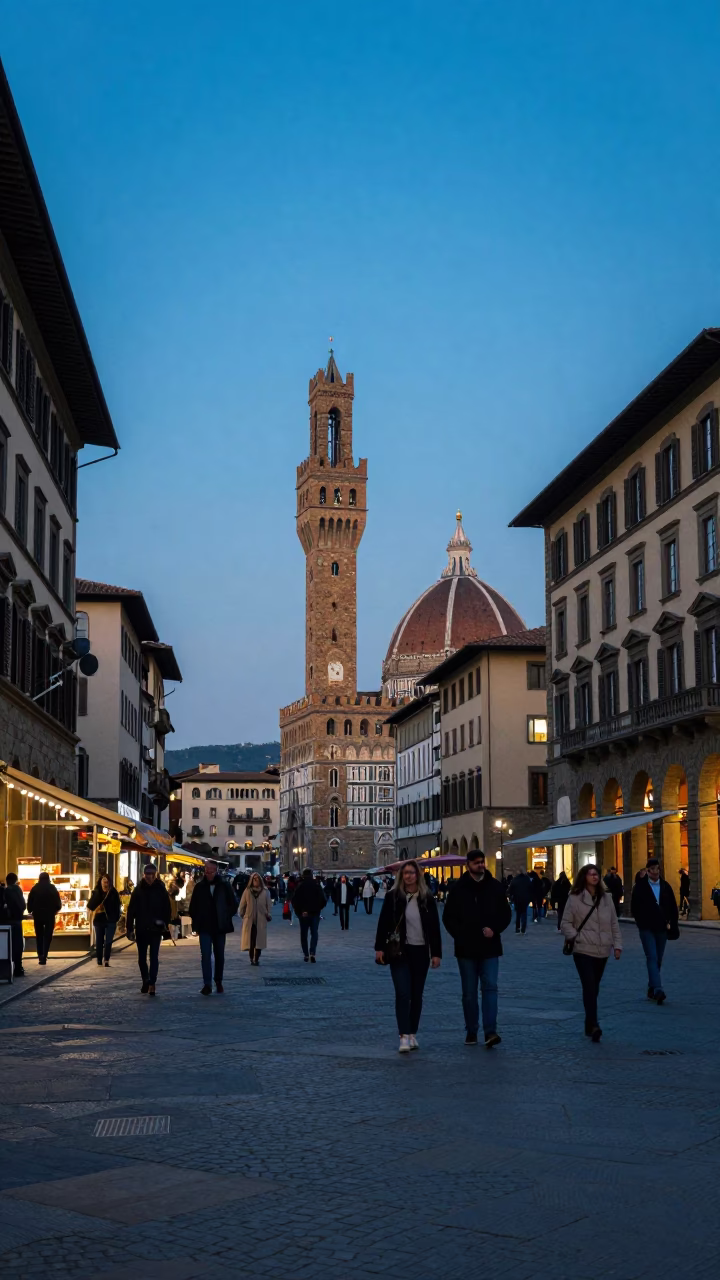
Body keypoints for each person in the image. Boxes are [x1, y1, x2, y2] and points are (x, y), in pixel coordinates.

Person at [442, 848, 511, 1048]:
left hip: (490, 947)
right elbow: (448, 917)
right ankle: (471, 1030)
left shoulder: (495, 887)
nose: (481, 865)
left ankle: (490, 1031)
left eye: (482, 862)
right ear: (468, 865)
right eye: (476, 862)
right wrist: (460, 934)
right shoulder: (458, 888)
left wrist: (495, 929)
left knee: (490, 988)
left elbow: (505, 914)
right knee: (469, 993)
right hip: (466, 949)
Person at [375, 859, 442, 1052]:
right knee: (403, 993)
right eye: (405, 873)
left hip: (420, 951)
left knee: (416, 995)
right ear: (401, 876)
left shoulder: (426, 898)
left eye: (412, 873)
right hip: (399, 951)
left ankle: (412, 1032)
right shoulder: (393, 897)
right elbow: (383, 923)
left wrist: (436, 953)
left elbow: (434, 928)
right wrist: (379, 948)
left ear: (418, 875)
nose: (409, 876)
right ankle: (403, 1035)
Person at [561, 863, 622, 1041]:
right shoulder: (574, 898)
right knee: (589, 985)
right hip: (583, 950)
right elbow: (565, 923)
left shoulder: (607, 898)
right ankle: (594, 1024)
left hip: (602, 950)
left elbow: (614, 924)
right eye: (591, 874)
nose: (594, 877)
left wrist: (617, 945)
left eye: (596, 874)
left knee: (594, 987)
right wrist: (577, 936)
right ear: (584, 877)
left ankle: (589, 1023)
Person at [630, 857, 679, 1005]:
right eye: (652, 869)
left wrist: (673, 925)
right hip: (646, 928)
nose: (655, 872)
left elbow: (673, 907)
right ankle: (658, 989)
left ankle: (651, 988)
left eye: (657, 869)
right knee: (651, 956)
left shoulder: (665, 886)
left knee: (658, 958)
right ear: (647, 871)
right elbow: (634, 907)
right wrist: (640, 922)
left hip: (662, 928)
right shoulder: (640, 887)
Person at [189, 859, 238, 994]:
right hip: (204, 926)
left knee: (219, 955)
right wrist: (197, 920)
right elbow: (193, 907)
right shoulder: (199, 887)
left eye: (211, 871)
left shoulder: (224, 886)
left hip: (219, 926)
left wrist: (225, 915)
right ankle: (207, 984)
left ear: (216, 871)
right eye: (206, 870)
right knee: (205, 955)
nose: (208, 873)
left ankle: (218, 981)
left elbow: (233, 904)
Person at [126, 864, 172, 995]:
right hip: (141, 928)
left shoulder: (161, 889)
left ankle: (152, 982)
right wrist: (129, 928)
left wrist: (164, 923)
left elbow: (167, 909)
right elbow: (131, 910)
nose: (149, 877)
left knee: (153, 957)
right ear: (144, 875)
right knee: (141, 958)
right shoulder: (138, 889)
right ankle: (145, 980)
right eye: (147, 874)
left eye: (152, 874)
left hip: (155, 929)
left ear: (155, 875)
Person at [27, 871, 62, 965]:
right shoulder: (52, 888)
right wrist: (55, 910)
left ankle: (40, 955)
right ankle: (44, 955)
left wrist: (31, 910)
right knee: (47, 935)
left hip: (38, 915)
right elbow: (58, 902)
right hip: (49, 915)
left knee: (39, 935)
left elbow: (30, 902)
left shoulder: (35, 888)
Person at [292, 868, 327, 961]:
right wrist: (318, 909)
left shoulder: (300, 886)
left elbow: (295, 901)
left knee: (304, 934)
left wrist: (300, 912)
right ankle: (312, 952)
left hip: (303, 914)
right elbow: (323, 900)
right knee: (314, 933)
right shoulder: (316, 885)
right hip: (314, 913)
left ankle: (306, 954)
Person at [87, 874, 121, 966]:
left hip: (110, 920)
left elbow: (117, 906)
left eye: (106, 882)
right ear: (100, 882)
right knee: (99, 940)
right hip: (99, 920)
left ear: (109, 883)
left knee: (108, 941)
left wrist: (116, 918)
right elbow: (90, 906)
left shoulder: (113, 892)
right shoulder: (97, 892)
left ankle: (106, 959)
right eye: (103, 882)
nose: (105, 884)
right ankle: (99, 959)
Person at [239, 872, 273, 965]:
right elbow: (242, 904)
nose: (256, 880)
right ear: (251, 880)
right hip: (249, 919)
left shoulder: (265, 891)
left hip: (261, 918)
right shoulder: (247, 891)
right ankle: (251, 958)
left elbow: (269, 905)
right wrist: (242, 915)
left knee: (259, 941)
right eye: (254, 879)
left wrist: (269, 914)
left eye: (257, 878)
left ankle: (256, 958)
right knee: (251, 940)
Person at [2, 872, 26, 976]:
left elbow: (5, 905)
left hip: (9, 921)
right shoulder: (19, 890)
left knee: (9, 945)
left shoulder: (6, 891)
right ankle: (19, 968)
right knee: (18, 944)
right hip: (18, 920)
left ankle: (9, 968)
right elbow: (23, 905)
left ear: (7, 881)